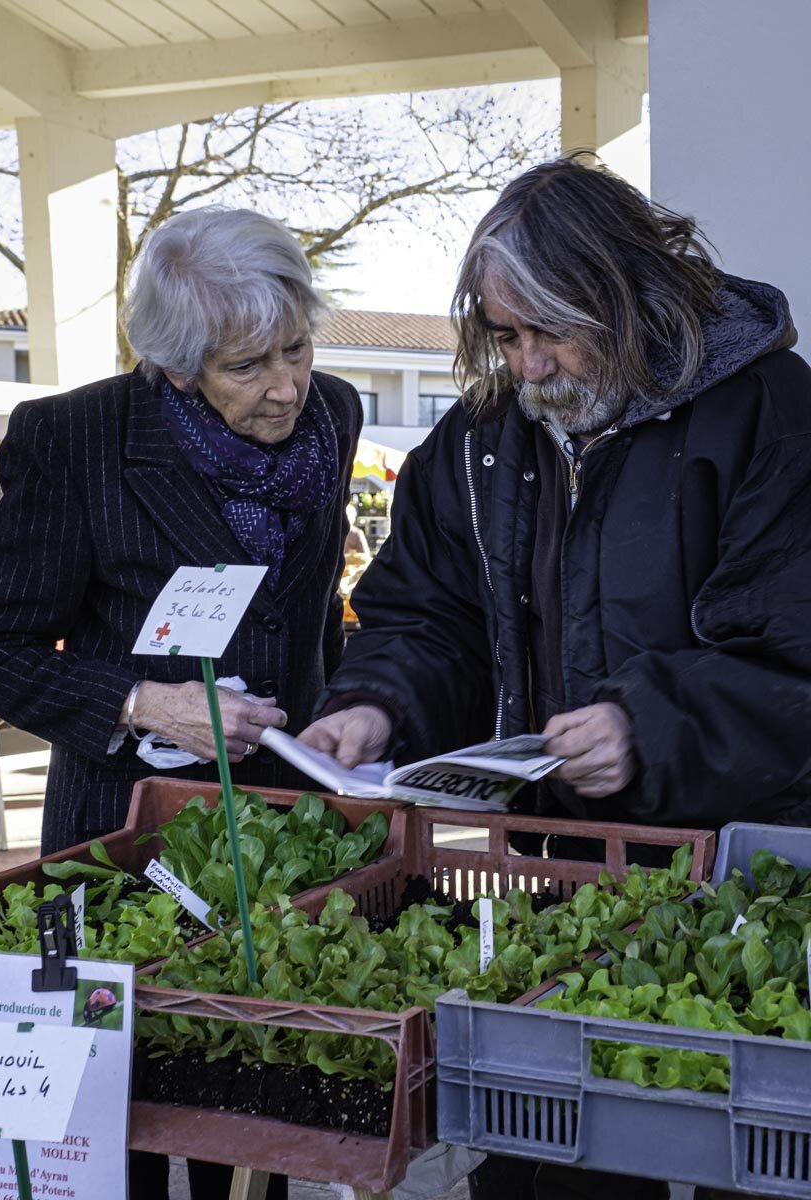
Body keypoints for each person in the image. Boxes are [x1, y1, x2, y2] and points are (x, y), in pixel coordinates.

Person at [299, 156, 811, 1200]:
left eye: (550, 332)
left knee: (745, 1159)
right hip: (558, 873)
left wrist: (646, 726)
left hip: (745, 872)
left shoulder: (770, 411)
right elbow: (423, 610)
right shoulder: (481, 442)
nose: (527, 365)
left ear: (629, 299)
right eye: (505, 334)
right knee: (549, 1164)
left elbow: (794, 644)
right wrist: (373, 702)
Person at [0, 207, 362, 1199]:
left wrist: (347, 715)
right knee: (121, 1121)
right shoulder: (72, 437)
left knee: (252, 1108)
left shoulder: (336, 413)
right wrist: (142, 702)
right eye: (246, 365)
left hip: (277, 830)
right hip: (124, 828)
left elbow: (308, 617)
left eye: (297, 349)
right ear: (177, 367)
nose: (285, 385)